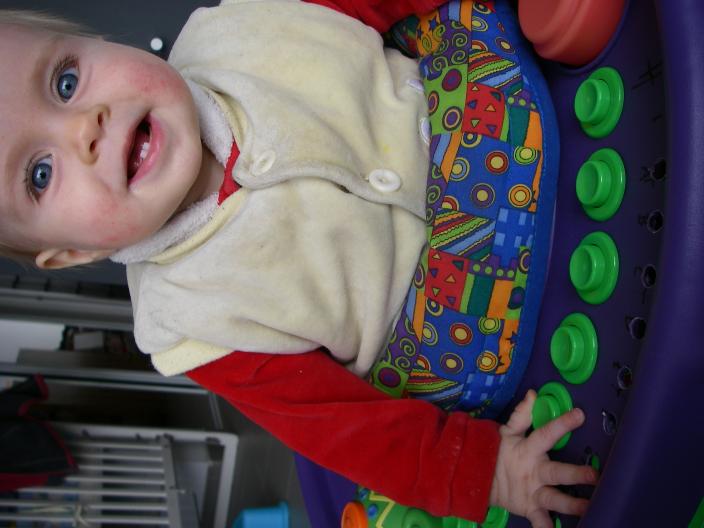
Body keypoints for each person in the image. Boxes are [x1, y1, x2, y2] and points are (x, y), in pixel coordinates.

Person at [0, 1, 598, 526]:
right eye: (40, 174)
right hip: (459, 327)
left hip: (481, 103)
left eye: (65, 80)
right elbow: (338, 425)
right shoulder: (191, 322)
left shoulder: (240, 28)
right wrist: (488, 472)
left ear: (100, 42)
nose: (84, 128)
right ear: (74, 253)